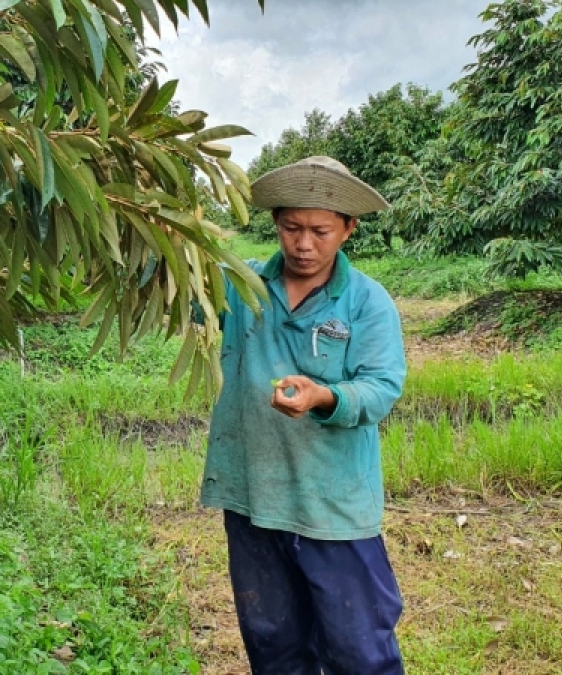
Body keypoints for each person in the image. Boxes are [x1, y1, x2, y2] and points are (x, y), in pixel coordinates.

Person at [201, 156, 408, 674]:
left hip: (332, 504)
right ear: (276, 225)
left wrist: (326, 398)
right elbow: (175, 294)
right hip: (254, 494)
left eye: (320, 230)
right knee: (272, 642)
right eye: (292, 228)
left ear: (348, 230)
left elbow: (381, 387)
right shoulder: (239, 285)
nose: (304, 244)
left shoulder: (365, 302)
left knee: (359, 650)